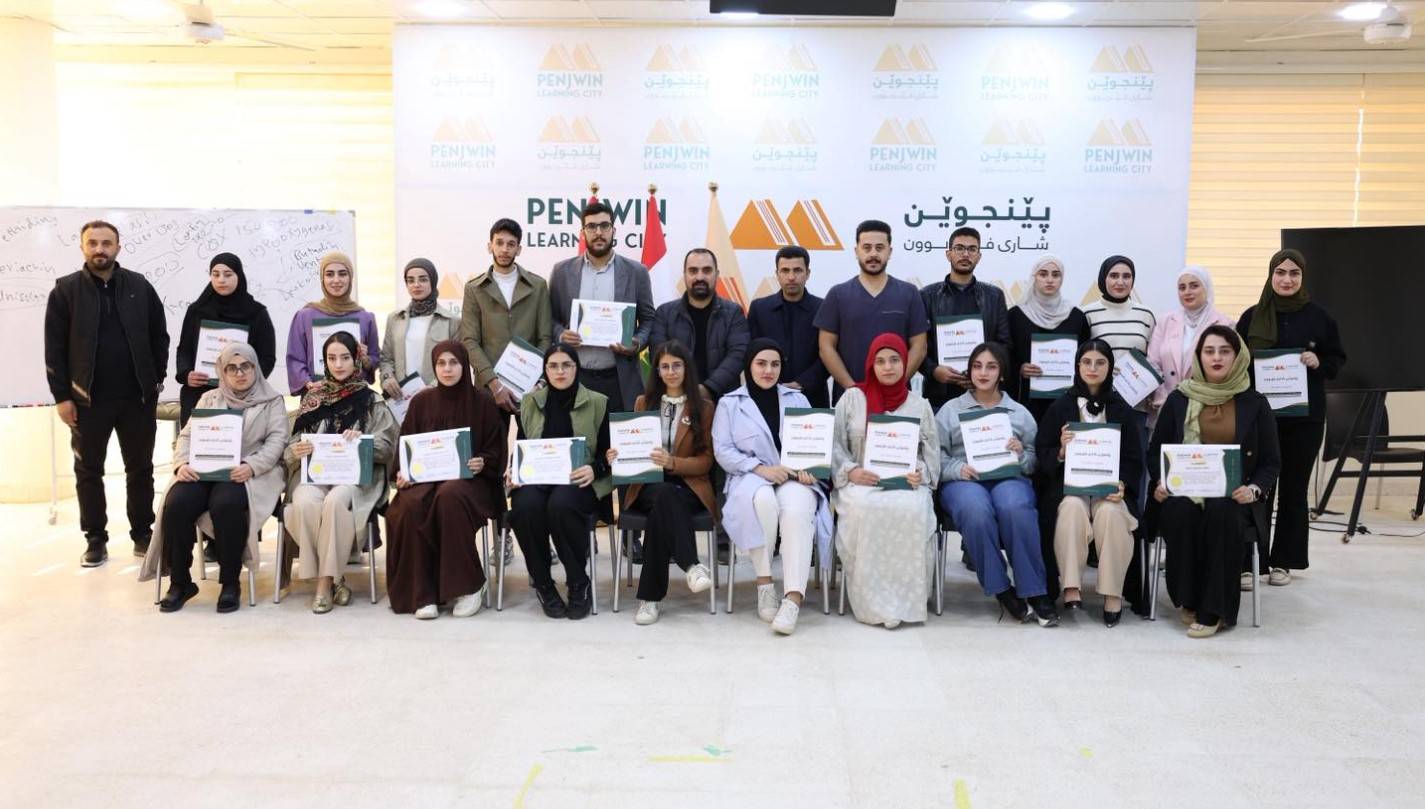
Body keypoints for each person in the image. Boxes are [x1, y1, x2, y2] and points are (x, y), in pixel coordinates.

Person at [44, 220, 169, 567]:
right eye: (93, 243)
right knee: (88, 471)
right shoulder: (65, 291)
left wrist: (155, 379)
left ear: (118, 247)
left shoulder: (139, 286)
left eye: (106, 243)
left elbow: (159, 335)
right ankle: (95, 539)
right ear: (82, 247)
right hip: (87, 401)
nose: (99, 249)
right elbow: (54, 349)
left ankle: (142, 533)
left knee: (140, 468)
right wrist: (62, 397)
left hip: (136, 399)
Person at [1147, 325, 1280, 638]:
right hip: (1184, 491)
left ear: (1238, 356)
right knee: (1180, 512)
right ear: (1199, 356)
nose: (1216, 358)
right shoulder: (1179, 399)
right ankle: (1188, 598)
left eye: (1224, 351)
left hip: (1235, 495)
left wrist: (1254, 490)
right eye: (1209, 351)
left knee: (1222, 513)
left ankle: (1214, 609)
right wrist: (1160, 481)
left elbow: (1271, 461)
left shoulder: (1255, 402)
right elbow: (1155, 453)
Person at [139, 343, 286, 612]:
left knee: (225, 504)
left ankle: (230, 582)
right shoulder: (209, 398)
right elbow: (187, 436)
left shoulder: (272, 401)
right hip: (203, 470)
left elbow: (277, 442)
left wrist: (251, 466)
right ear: (222, 371)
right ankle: (181, 583)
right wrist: (181, 464)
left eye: (246, 366)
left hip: (245, 472)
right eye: (232, 368)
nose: (239, 373)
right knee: (177, 503)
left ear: (255, 368)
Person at [1237, 249, 1345, 587]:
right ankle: (1251, 561)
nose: (1286, 279)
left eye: (1293, 273)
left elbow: (1337, 360)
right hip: (1259, 420)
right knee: (1257, 488)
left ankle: (1284, 561)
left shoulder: (1320, 318)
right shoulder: (1251, 317)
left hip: (1304, 420)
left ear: (1302, 277)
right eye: (1280, 272)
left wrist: (1318, 361)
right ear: (1271, 275)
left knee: (1294, 490)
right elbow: (1236, 362)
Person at [713, 338, 833, 635]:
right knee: (763, 501)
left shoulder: (797, 399)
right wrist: (761, 469)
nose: (768, 370)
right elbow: (723, 451)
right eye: (761, 363)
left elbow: (815, 445)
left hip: (794, 476)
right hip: (751, 475)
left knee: (797, 510)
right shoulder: (730, 404)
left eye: (775, 364)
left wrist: (811, 469)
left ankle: (793, 598)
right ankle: (765, 582)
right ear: (748, 366)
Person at [936, 342, 1058, 627]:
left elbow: (1034, 460)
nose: (983, 373)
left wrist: (1020, 453)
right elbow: (935, 456)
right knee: (975, 510)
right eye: (977, 366)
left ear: (1001, 373)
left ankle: (1035, 590)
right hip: (964, 480)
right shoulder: (950, 410)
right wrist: (957, 469)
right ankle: (1002, 589)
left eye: (991, 367)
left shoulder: (1019, 412)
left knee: (1015, 507)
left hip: (1008, 478)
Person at [384, 340, 506, 619]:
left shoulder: (482, 401)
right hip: (426, 480)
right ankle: (423, 592)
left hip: (473, 482)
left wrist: (482, 461)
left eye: (454, 363)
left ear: (464, 366)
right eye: (441, 363)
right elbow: (406, 446)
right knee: (409, 505)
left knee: (449, 496)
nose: (447, 369)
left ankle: (469, 586)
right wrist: (403, 473)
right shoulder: (421, 402)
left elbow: (495, 449)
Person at [284, 333, 399, 613]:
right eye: (331, 358)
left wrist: (363, 442)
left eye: (345, 357)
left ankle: (324, 584)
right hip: (316, 476)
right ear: (324, 361)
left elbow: (387, 446)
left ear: (356, 359)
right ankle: (337, 578)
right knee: (304, 502)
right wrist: (296, 450)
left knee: (335, 502)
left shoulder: (372, 400)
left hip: (355, 479)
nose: (338, 364)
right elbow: (289, 448)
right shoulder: (312, 398)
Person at [831, 333, 939, 628]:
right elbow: (833, 444)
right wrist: (851, 470)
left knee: (912, 509)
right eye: (880, 361)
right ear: (871, 365)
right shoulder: (853, 398)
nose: (888, 367)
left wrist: (919, 472)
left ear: (905, 364)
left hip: (907, 484)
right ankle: (872, 602)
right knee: (867, 509)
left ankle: (905, 601)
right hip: (859, 484)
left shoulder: (920, 405)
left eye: (894, 360)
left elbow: (931, 456)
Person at [1034, 339, 1144, 626]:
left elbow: (1134, 458)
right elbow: (1041, 453)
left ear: (1110, 368)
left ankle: (1113, 592)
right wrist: (1060, 451)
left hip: (1111, 490)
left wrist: (1123, 484)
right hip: (1069, 488)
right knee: (1071, 507)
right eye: (1086, 362)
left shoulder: (1122, 409)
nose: (1092, 368)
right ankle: (1070, 585)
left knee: (1111, 513)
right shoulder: (1059, 407)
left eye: (1100, 362)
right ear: (1077, 366)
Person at [607, 340, 716, 625]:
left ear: (687, 368)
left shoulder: (704, 407)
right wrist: (616, 455)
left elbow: (706, 461)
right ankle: (692, 565)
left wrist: (673, 463)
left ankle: (649, 599)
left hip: (688, 486)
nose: (671, 372)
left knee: (664, 505)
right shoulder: (643, 403)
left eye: (676, 365)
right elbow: (631, 447)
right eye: (664, 366)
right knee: (664, 495)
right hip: (647, 485)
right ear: (656, 371)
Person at [508, 343, 613, 620]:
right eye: (553, 366)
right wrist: (514, 471)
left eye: (566, 365)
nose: (560, 371)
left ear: (577, 368)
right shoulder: (530, 402)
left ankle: (578, 582)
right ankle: (544, 584)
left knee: (561, 506)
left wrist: (595, 469)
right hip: (537, 479)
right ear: (545, 370)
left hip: (578, 480)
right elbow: (521, 446)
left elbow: (609, 452)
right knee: (525, 508)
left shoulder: (598, 402)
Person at [548, 201, 655, 411]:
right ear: (582, 233)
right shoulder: (561, 272)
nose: (598, 232)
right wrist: (561, 335)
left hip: (620, 379)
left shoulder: (636, 272)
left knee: (617, 434)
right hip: (575, 378)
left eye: (604, 226)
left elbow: (649, 320)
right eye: (591, 226)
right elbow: (549, 318)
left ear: (613, 230)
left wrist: (636, 343)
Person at [816, 220, 929, 402]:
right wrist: (852, 389)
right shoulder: (838, 294)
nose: (873, 254)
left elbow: (920, 347)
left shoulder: (909, 293)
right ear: (856, 251)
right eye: (867, 248)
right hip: (850, 399)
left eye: (879, 248)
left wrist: (896, 386)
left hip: (897, 400)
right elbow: (826, 347)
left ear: (889, 252)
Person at [460, 219, 552, 416]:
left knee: (533, 438)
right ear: (490, 246)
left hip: (531, 389)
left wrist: (538, 382)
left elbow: (545, 338)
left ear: (519, 249)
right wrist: (494, 384)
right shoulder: (474, 289)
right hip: (488, 389)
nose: (504, 249)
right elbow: (469, 341)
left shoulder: (538, 286)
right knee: (490, 438)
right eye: (499, 243)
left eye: (511, 244)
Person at [173, 252, 276, 428]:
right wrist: (186, 374)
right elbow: (184, 349)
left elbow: (267, 358)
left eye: (228, 274)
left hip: (242, 396)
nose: (221, 280)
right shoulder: (197, 310)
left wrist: (247, 382)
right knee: (196, 442)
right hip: (198, 394)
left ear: (239, 276)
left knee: (239, 443)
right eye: (215, 274)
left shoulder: (256, 313)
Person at [920, 227, 1012, 410]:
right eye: (959, 248)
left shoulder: (994, 296)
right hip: (939, 394)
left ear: (979, 256)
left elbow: (1004, 345)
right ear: (948, 254)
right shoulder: (926, 296)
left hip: (983, 393)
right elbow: (918, 346)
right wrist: (934, 371)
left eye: (972, 249)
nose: (965, 254)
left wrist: (983, 371)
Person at [647, 248, 750, 401]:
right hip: (676, 399)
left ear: (717, 274)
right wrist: (686, 390)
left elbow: (738, 356)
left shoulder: (734, 313)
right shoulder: (664, 313)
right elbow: (658, 356)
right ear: (684, 275)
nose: (700, 277)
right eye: (693, 271)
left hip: (723, 400)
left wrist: (709, 388)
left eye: (707, 270)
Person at [1006, 254, 1090, 424]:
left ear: (1062, 279)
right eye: (1043, 274)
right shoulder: (1016, 315)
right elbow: (1004, 354)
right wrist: (1019, 368)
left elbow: (1086, 357)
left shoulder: (1076, 316)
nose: (1050, 280)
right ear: (1034, 277)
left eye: (1056, 275)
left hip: (1066, 403)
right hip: (1025, 402)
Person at [1146, 266, 1235, 424]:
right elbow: (1153, 364)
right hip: (1165, 409)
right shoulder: (1165, 321)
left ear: (1206, 288)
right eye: (1182, 287)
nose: (1187, 292)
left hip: (1205, 409)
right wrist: (1165, 399)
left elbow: (1226, 371)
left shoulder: (1225, 324)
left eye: (1194, 286)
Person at [285, 250, 380, 395]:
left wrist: (365, 359)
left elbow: (375, 358)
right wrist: (308, 383)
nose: (336, 280)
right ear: (322, 279)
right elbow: (295, 359)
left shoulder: (365, 318)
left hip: (355, 397)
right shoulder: (304, 317)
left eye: (342, 274)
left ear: (350, 278)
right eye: (329, 274)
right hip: (317, 396)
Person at [747, 247, 828, 408]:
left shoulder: (824, 308)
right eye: (785, 271)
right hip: (768, 396)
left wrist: (802, 383)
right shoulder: (759, 309)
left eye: (797, 270)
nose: (791, 277)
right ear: (777, 274)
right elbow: (750, 352)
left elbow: (830, 353)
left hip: (813, 398)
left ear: (808, 273)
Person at [380, 258, 458, 399]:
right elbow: (386, 359)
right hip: (402, 398)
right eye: (410, 280)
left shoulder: (451, 321)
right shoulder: (394, 319)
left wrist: (434, 387)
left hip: (439, 397)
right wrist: (387, 378)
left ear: (433, 281)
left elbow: (457, 362)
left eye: (423, 279)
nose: (416, 285)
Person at [1083, 255, 1157, 363]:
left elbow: (1155, 359)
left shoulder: (1146, 314)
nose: (1120, 282)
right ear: (1104, 278)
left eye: (1126, 276)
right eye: (1114, 276)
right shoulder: (1087, 314)